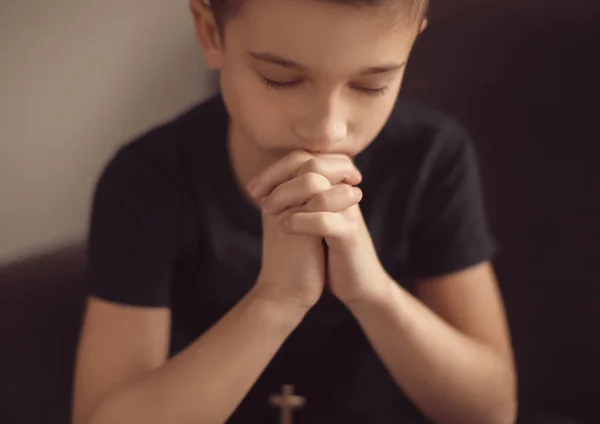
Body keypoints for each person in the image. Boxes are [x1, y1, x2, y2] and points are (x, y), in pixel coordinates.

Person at [71, 0, 518, 423]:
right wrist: (276, 301)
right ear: (211, 33)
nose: (327, 129)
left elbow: (493, 411)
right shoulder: (148, 178)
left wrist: (371, 291)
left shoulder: (431, 158)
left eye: (371, 85)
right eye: (280, 79)